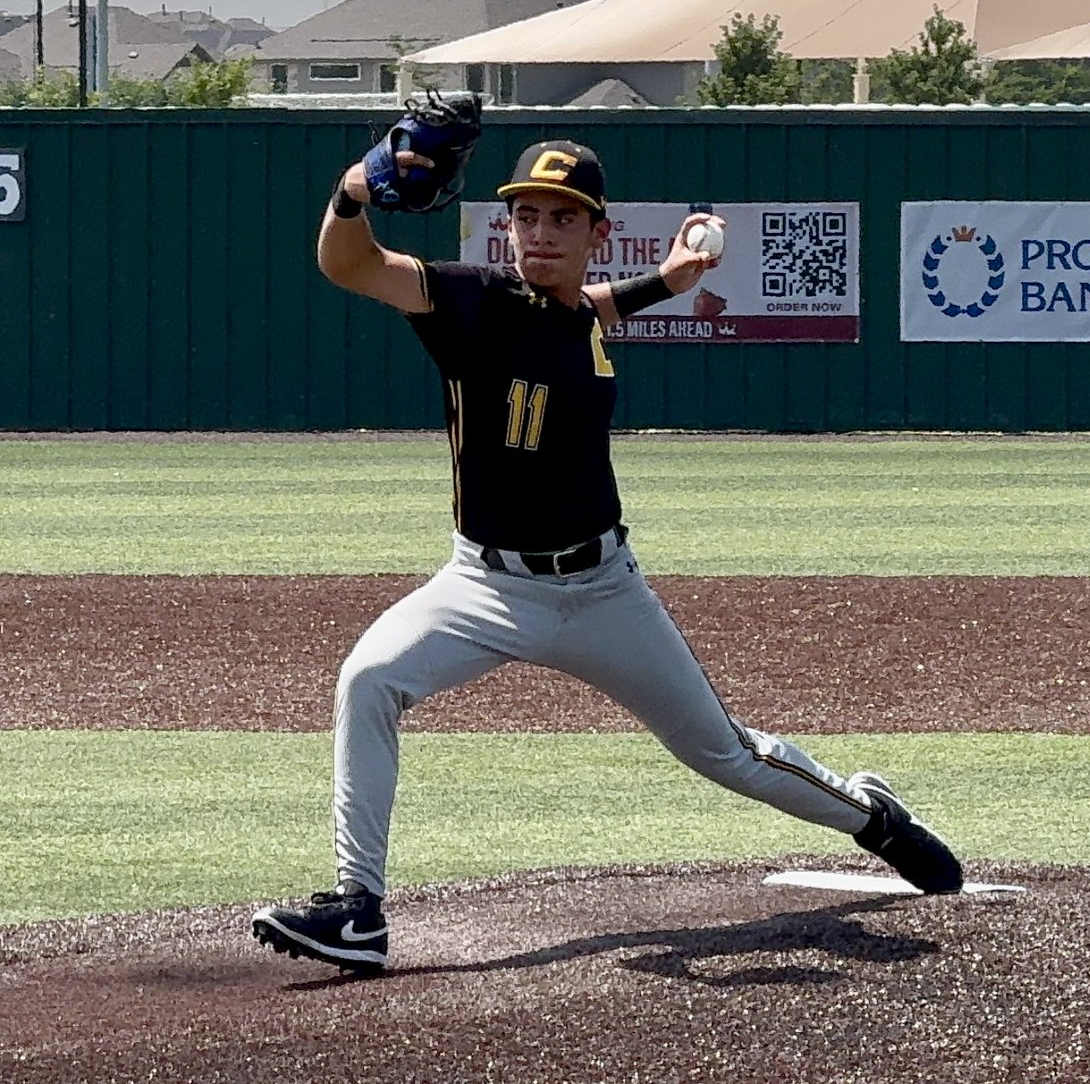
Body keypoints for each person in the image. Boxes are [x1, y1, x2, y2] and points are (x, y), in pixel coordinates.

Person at [251, 137, 963, 974]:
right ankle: (358, 909)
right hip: (483, 585)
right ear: (505, 226)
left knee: (723, 754)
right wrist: (351, 191)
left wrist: (668, 280)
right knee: (370, 679)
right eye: (526, 216)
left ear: (597, 232)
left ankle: (872, 817)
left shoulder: (576, 311)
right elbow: (350, 266)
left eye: (562, 218)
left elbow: (587, 312)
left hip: (601, 592)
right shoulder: (467, 300)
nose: (540, 233)